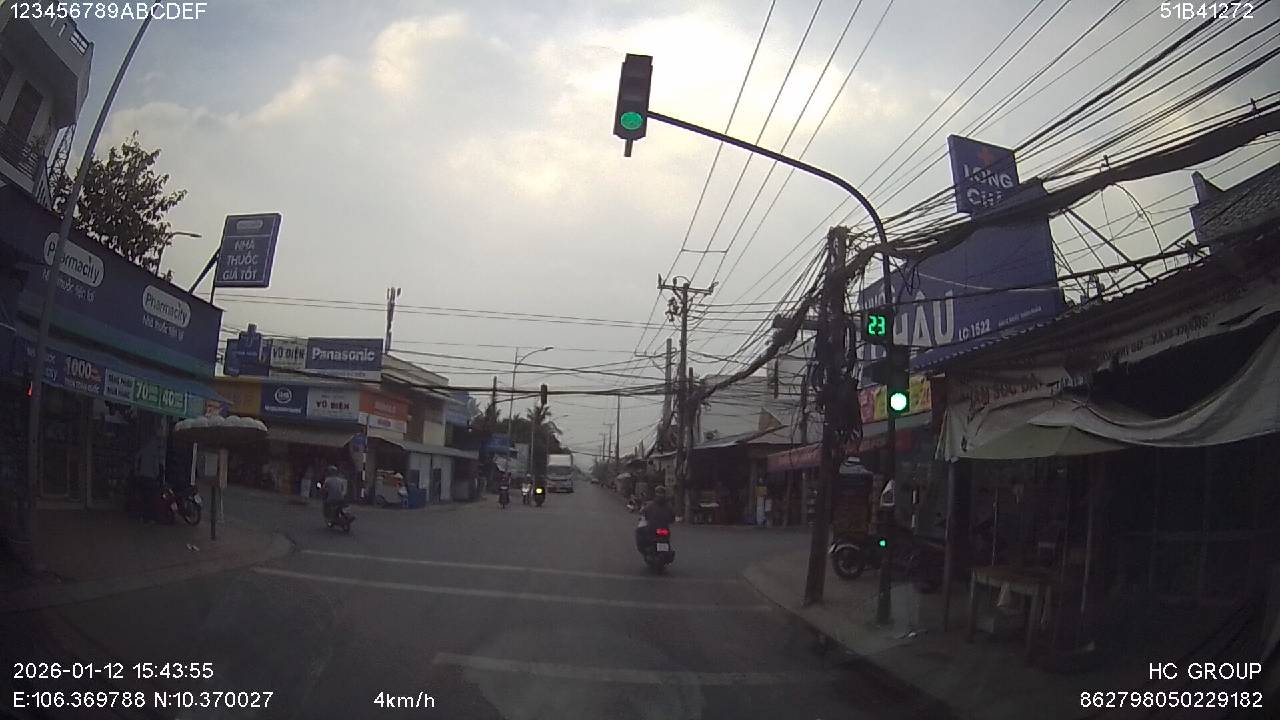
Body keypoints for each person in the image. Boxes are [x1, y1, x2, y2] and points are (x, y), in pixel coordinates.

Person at [636, 485, 676, 550]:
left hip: (653, 530)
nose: (660, 495)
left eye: (660, 493)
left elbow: (644, 514)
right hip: (664, 531)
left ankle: (645, 549)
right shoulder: (669, 506)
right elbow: (672, 519)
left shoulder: (650, 505)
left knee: (639, 532)